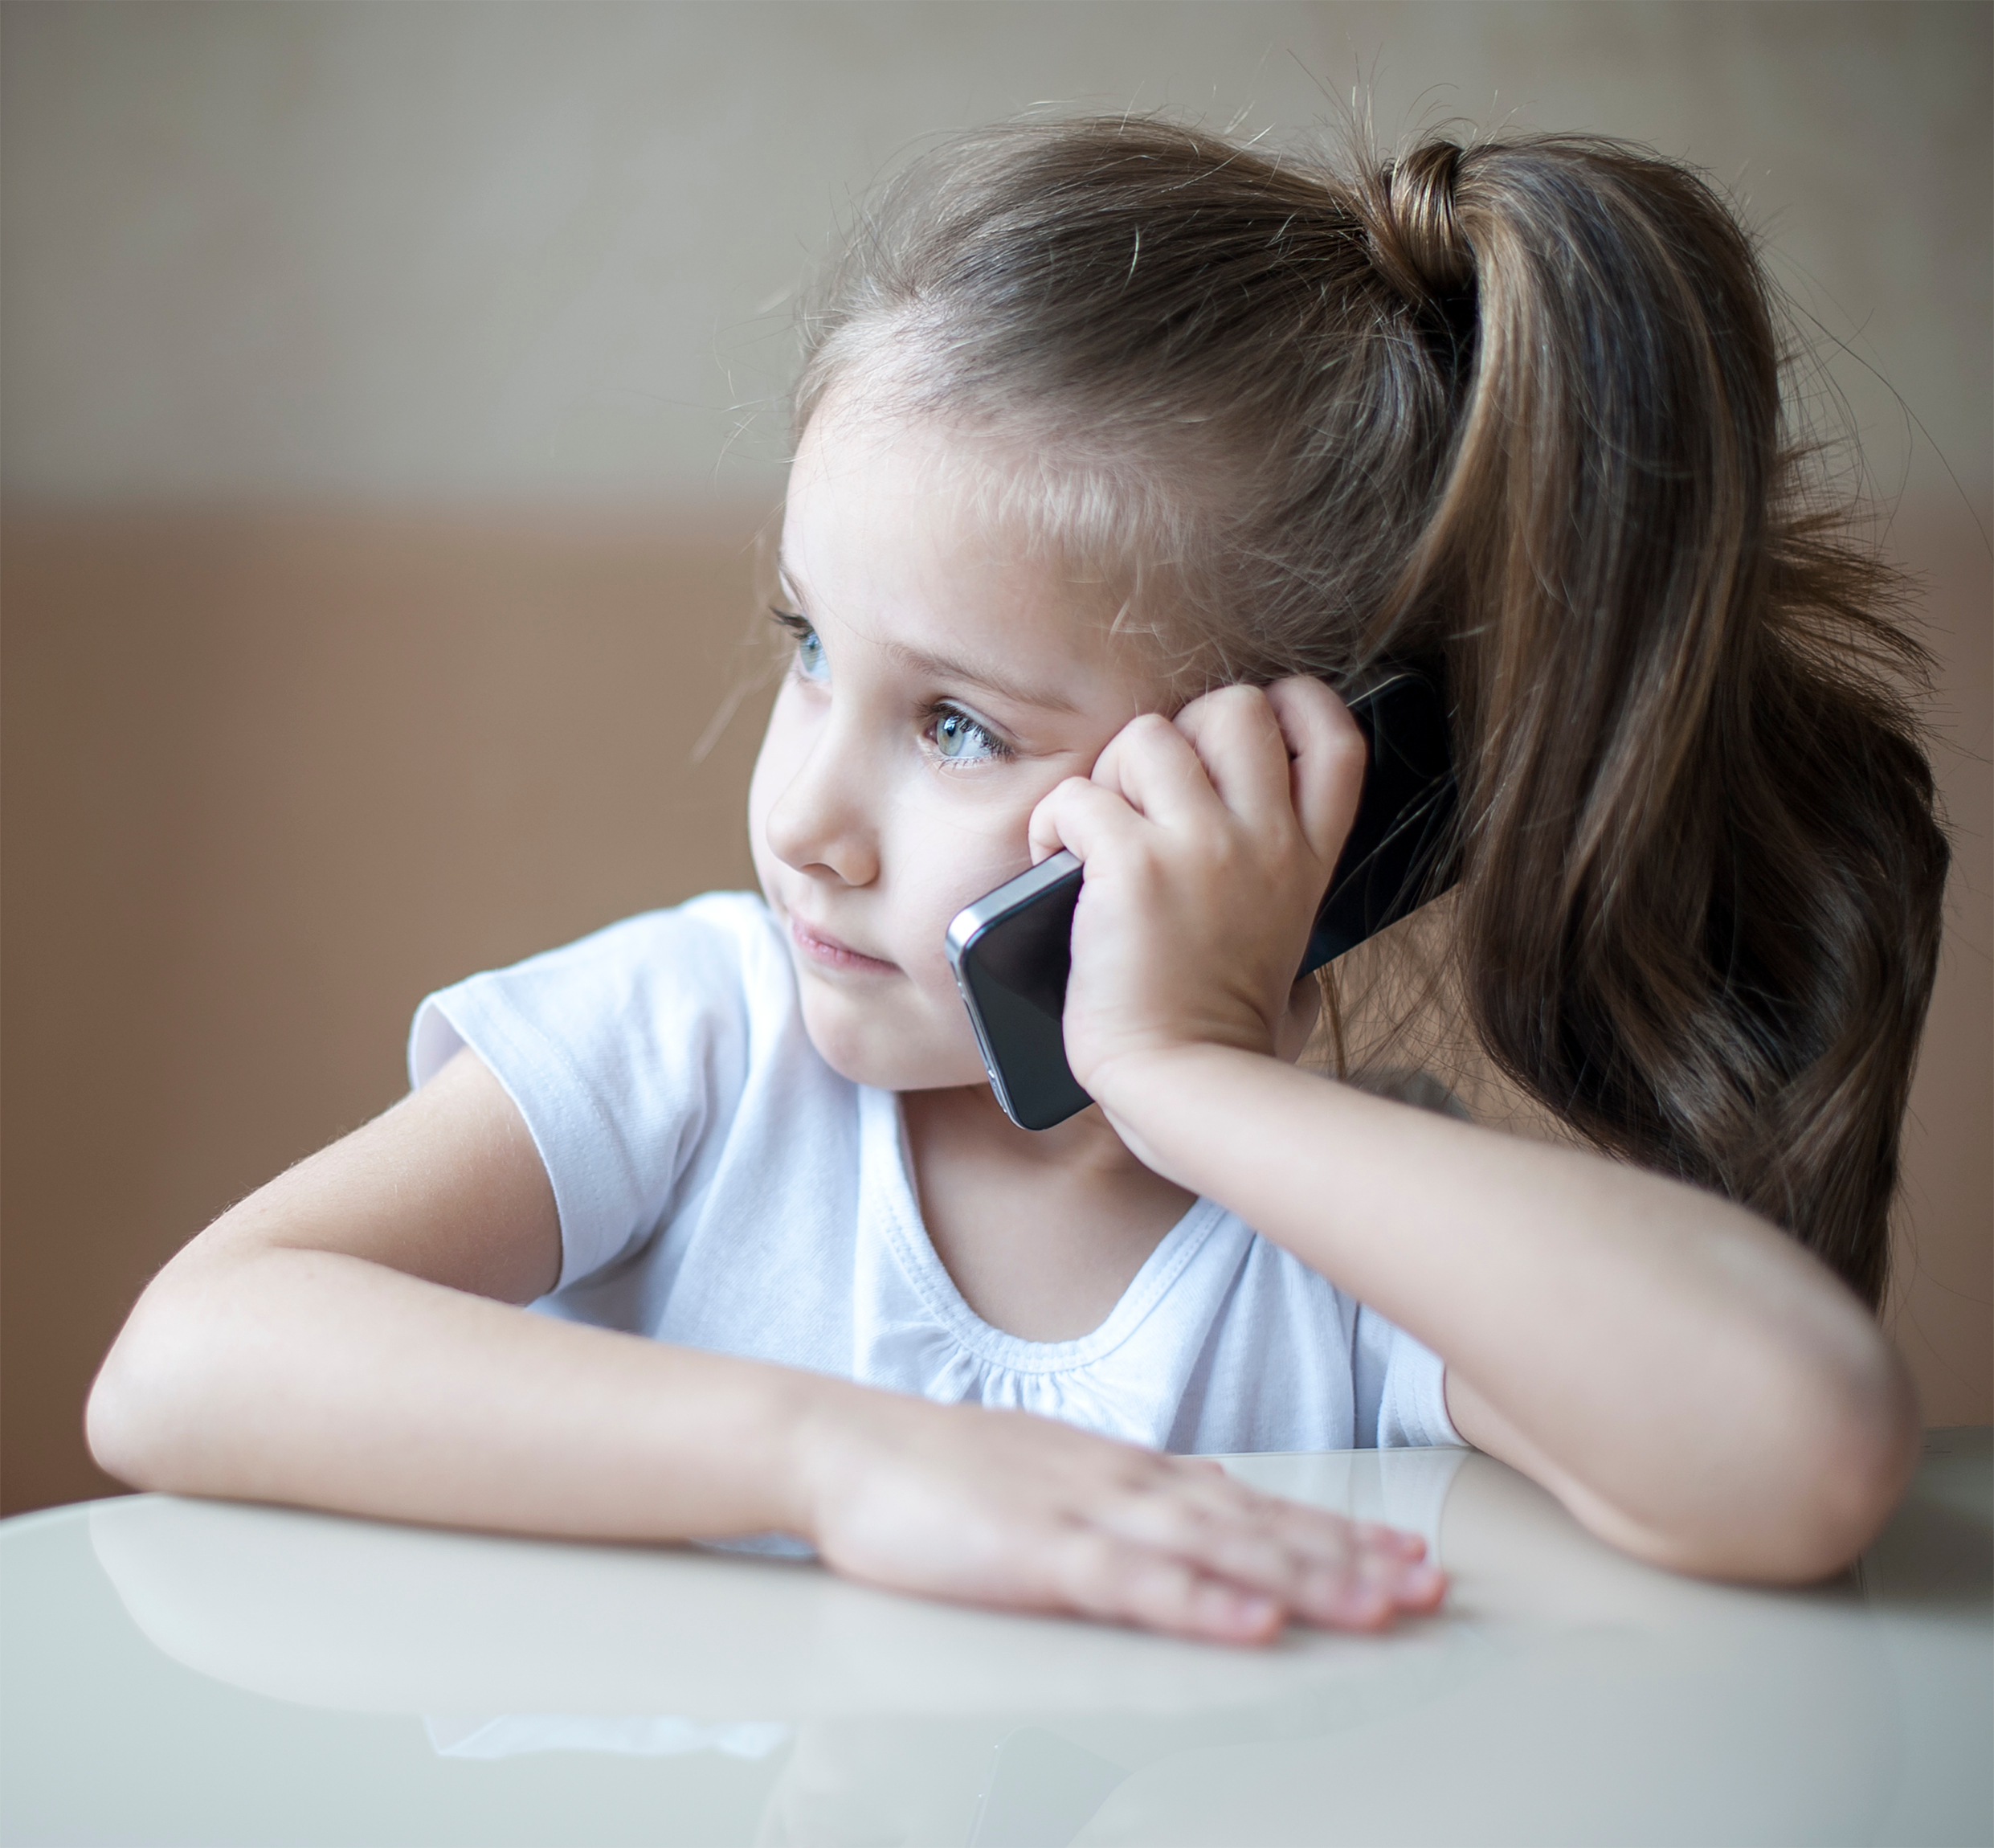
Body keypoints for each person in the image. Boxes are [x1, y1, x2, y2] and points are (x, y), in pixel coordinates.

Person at [85, 120, 1949, 1646]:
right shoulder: (700, 1045)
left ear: (1332, 802)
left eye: (960, 726)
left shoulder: (1333, 1251)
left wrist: (1189, 1073)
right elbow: (181, 1362)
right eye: (810, 645)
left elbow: (1799, 1445)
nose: (808, 806)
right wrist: (835, 1460)